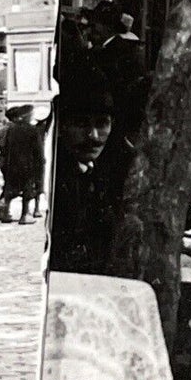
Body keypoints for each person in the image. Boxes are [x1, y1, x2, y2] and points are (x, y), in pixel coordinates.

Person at [49, 78, 128, 274]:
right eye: (81, 124)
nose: (93, 136)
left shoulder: (113, 171)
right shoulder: (52, 177)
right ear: (60, 127)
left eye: (102, 124)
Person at [87, 1, 149, 146]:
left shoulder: (111, 54)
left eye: (94, 25)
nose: (91, 31)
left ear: (105, 27)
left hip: (115, 122)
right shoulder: (126, 49)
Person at [0, 106, 45, 225]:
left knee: (10, 188)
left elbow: (7, 147)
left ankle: (6, 213)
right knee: (27, 189)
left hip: (12, 164)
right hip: (28, 165)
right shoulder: (33, 130)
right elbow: (38, 151)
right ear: (27, 116)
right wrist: (40, 164)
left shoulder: (12, 129)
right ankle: (25, 215)